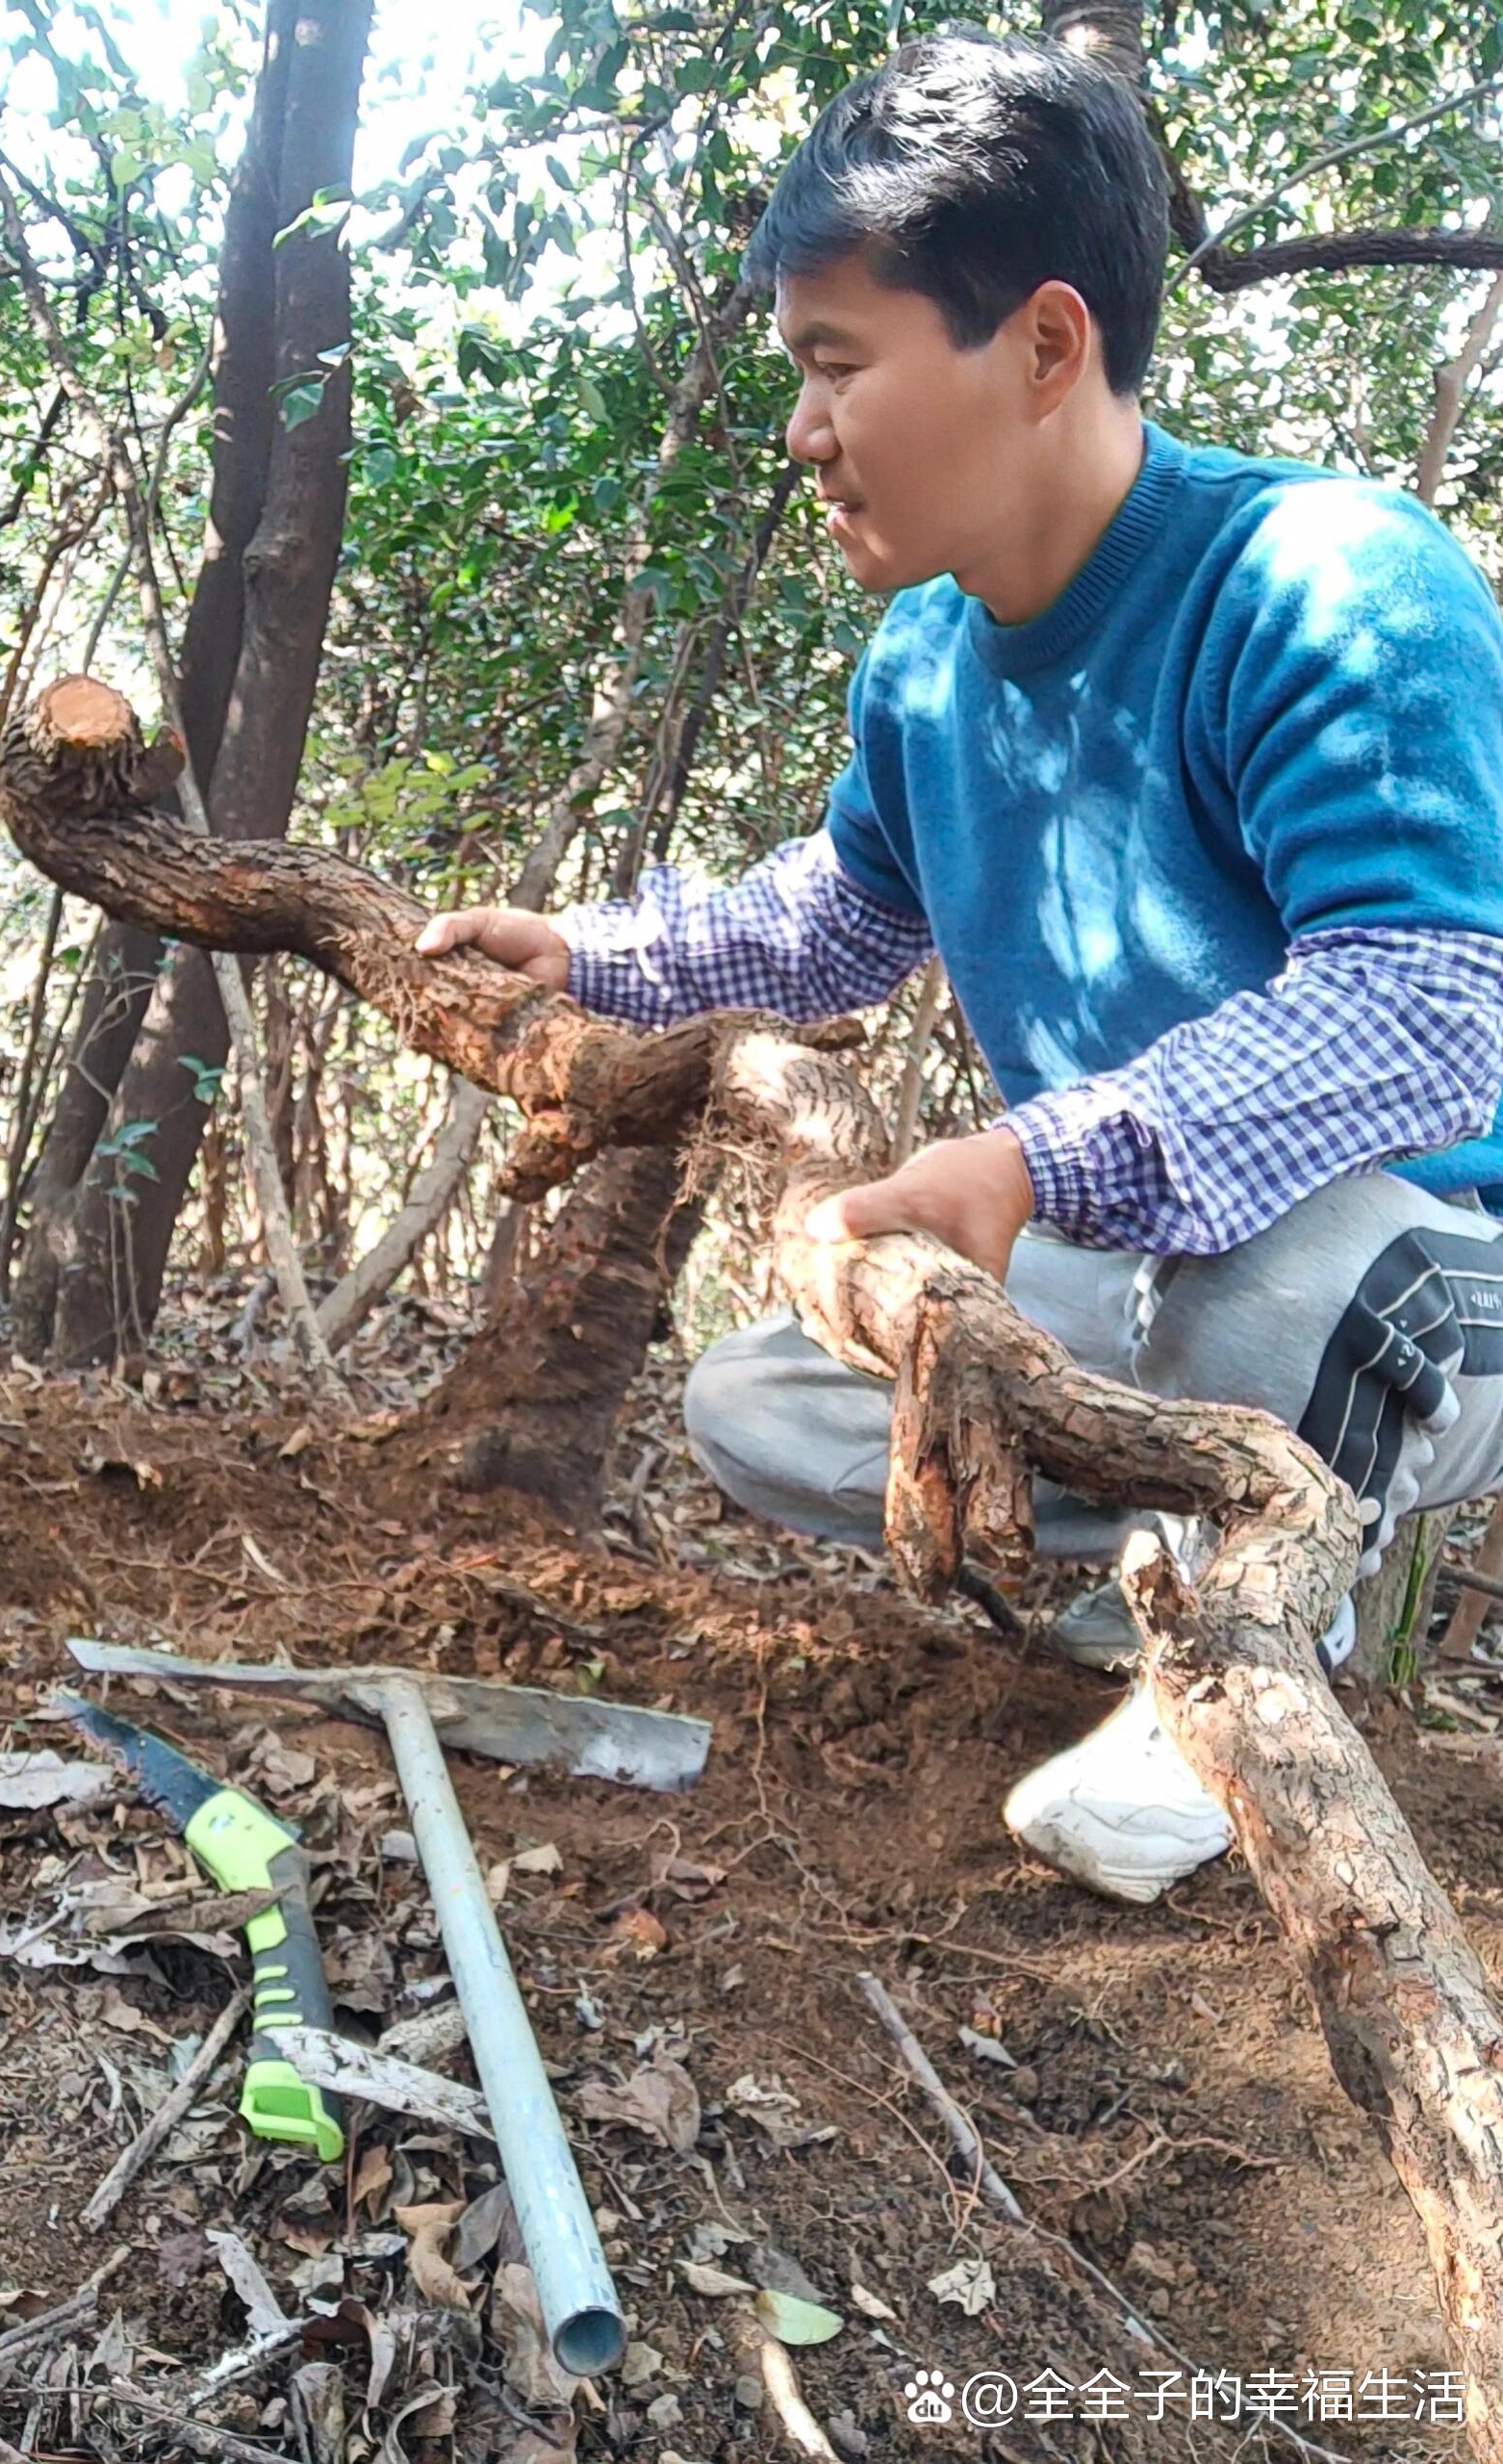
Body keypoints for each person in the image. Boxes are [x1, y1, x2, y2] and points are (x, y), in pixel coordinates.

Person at [416, 30, 1503, 1905]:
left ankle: (1234, 1655)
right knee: (773, 1391)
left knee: (1266, 1277)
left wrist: (1020, 1164)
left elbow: (1425, 1008)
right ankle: (1166, 1592)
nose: (803, 427)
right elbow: (833, 921)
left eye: (839, 363)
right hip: (1171, 1280)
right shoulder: (927, 664)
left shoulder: (1322, 578)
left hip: (1431, 1277)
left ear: (1047, 345)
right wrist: (596, 950)